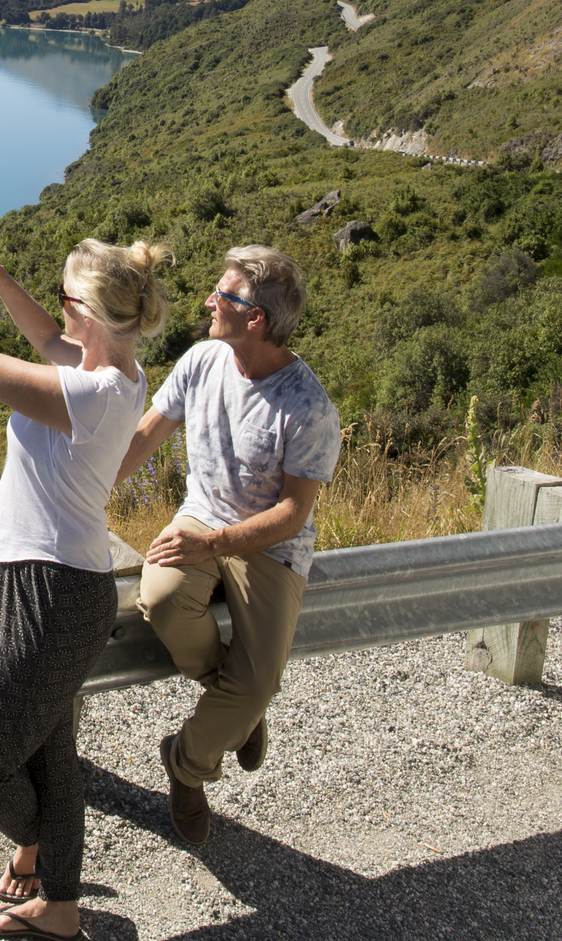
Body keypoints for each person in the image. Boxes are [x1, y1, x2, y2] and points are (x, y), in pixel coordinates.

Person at [0, 221, 170, 941]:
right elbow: (46, 344)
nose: (56, 307)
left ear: (89, 314)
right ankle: (58, 907)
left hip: (50, 590)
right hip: (51, 580)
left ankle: (44, 857)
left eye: (64, 297)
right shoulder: (119, 375)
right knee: (50, 756)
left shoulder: (89, 396)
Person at [116, 244, 339, 847]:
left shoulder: (307, 406)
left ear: (257, 317)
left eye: (225, 295)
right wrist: (88, 486)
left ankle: (186, 764)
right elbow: (146, 434)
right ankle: (238, 712)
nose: (210, 301)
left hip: (270, 546)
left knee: (258, 682)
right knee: (161, 601)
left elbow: (293, 514)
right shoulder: (203, 360)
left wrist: (213, 546)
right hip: (202, 516)